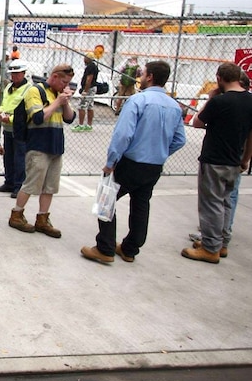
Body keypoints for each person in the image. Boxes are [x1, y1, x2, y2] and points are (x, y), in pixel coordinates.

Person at [80, 61, 186, 264]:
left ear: (151, 77)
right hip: (154, 166)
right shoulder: (173, 105)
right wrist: (160, 152)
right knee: (141, 204)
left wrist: (111, 161)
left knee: (106, 199)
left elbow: (123, 135)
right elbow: (180, 139)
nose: (140, 77)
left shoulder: (139, 101)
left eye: (143, 73)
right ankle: (130, 248)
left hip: (131, 162)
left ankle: (105, 248)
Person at [181, 62, 252, 263]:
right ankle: (221, 243)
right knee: (226, 201)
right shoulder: (250, 101)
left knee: (211, 203)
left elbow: (197, 122)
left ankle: (210, 247)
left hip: (214, 159)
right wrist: (246, 159)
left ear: (219, 78)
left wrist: (211, 98)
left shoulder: (219, 102)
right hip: (235, 160)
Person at [8, 64, 75, 237]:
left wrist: (65, 102)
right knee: (31, 183)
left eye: (68, 83)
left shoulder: (58, 94)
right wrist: (57, 102)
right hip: (38, 145)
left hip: (55, 146)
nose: (65, 86)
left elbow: (69, 118)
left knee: (50, 186)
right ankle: (17, 214)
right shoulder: (35, 91)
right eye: (64, 82)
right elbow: (37, 117)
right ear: (54, 77)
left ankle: (42, 218)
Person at [0, 61, 29, 198]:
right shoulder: (9, 87)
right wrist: (0, 112)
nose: (14, 76)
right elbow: (4, 103)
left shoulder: (28, 90)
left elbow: (26, 113)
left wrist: (11, 119)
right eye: (12, 74)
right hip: (7, 128)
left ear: (23, 73)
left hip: (19, 129)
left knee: (19, 158)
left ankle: (18, 186)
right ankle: (9, 182)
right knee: (8, 157)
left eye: (17, 74)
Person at [73, 52, 98, 132]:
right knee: (90, 106)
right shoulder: (94, 66)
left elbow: (89, 79)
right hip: (93, 87)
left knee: (82, 106)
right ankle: (89, 125)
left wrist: (85, 91)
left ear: (88, 59)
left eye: (85, 58)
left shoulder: (90, 67)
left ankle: (80, 125)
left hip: (89, 88)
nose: (84, 59)